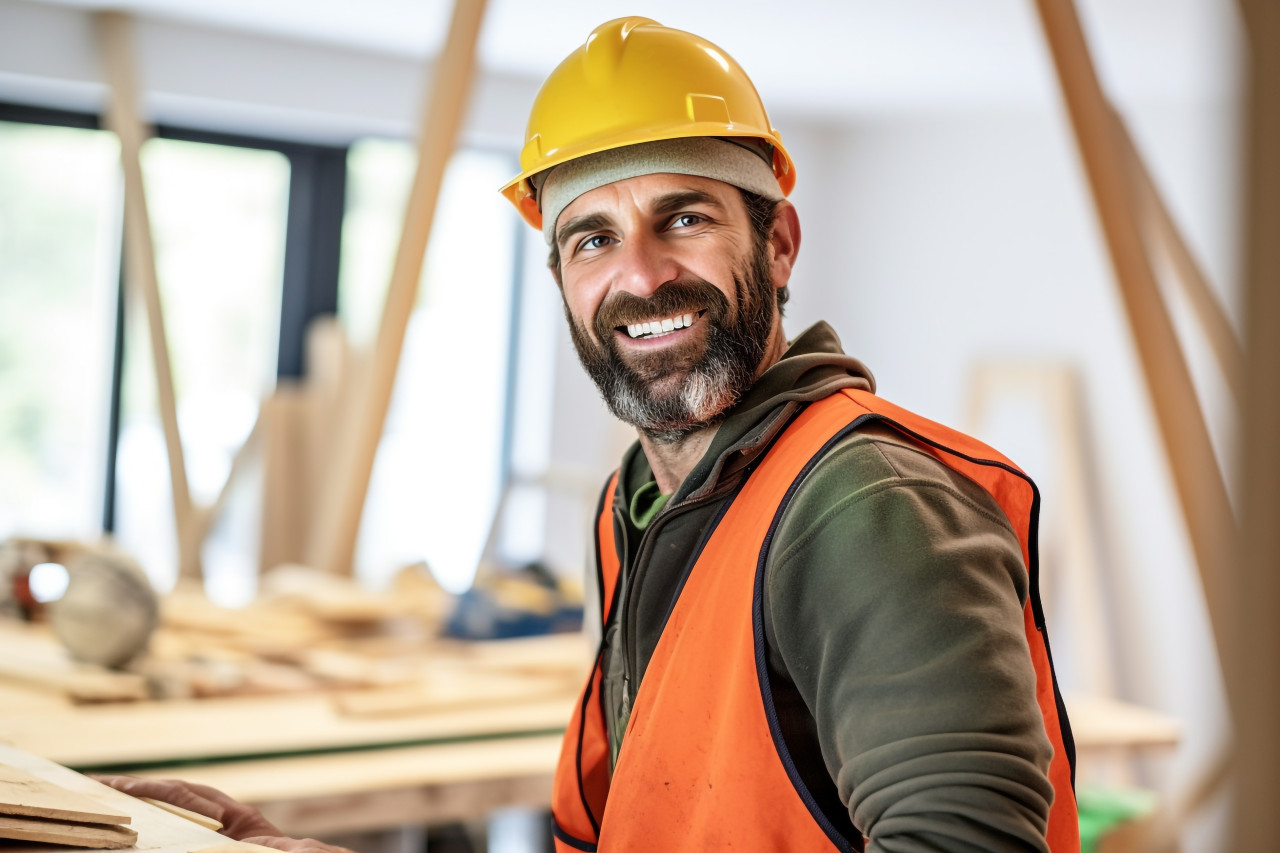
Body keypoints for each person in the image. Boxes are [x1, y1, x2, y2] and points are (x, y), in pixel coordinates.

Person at [103, 16, 1079, 853]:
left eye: (683, 217)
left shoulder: (862, 505)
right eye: (594, 238)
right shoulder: (646, 504)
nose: (641, 275)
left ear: (778, 245)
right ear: (564, 282)